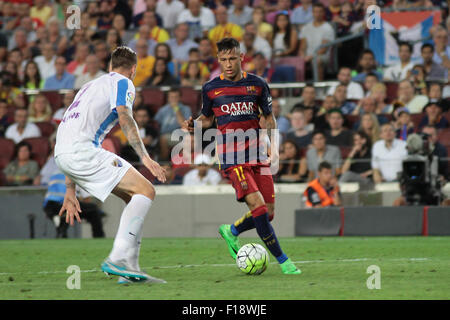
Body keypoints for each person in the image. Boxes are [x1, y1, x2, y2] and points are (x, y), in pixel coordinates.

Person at [182, 37, 300, 275]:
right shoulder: (211, 88)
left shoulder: (257, 84)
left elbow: (268, 116)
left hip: (258, 153)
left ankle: (232, 230)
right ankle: (284, 261)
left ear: (241, 57)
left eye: (232, 58)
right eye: (223, 59)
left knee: (269, 211)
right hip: (232, 157)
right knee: (258, 207)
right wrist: (195, 124)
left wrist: (273, 145)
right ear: (218, 60)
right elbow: (207, 118)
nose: (228, 64)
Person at [54, 46, 166, 284]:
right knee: (147, 190)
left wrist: (70, 189)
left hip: (62, 153)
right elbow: (124, 115)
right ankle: (117, 258)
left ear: (109, 66)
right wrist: (145, 157)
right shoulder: (124, 83)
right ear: (133, 69)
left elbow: (69, 128)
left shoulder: (88, 86)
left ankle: (131, 269)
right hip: (83, 151)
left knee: (133, 197)